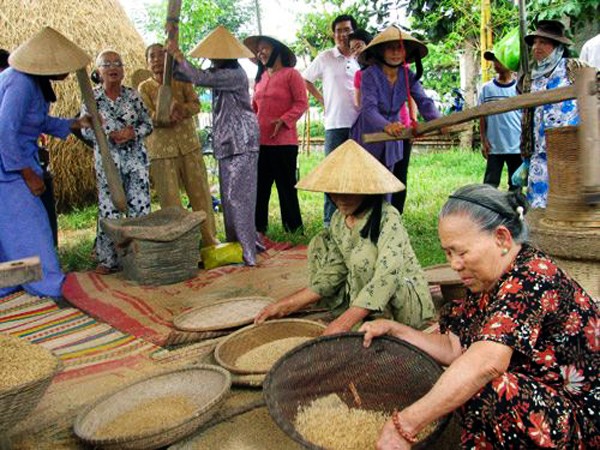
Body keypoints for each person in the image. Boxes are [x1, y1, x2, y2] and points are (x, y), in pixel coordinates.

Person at [360, 184, 599, 449]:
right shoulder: (486, 279)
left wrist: (404, 425)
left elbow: (488, 362)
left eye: (461, 252)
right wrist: (395, 330)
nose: (454, 264)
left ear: (502, 239)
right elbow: (455, 347)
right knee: (464, 377)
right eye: (448, 253)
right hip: (545, 399)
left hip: (582, 420)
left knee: (486, 385)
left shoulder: (532, 277)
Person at [255, 139, 435, 334]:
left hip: (401, 304)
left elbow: (388, 275)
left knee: (362, 257)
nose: (340, 199)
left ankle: (377, 322)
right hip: (363, 294)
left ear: (367, 190)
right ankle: (361, 314)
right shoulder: (338, 220)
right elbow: (333, 272)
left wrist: (343, 323)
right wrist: (286, 305)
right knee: (319, 243)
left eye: (349, 192)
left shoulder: (388, 217)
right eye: (335, 192)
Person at [0, 27, 92, 297]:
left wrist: (75, 123)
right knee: (30, 229)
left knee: (10, 232)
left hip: (12, 166)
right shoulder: (21, 83)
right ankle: (50, 286)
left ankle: (16, 280)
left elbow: (35, 121)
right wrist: (27, 173)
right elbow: (5, 130)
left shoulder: (30, 82)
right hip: (9, 169)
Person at [166, 26, 261, 266]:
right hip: (227, 142)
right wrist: (170, 57)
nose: (211, 58)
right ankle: (238, 245)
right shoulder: (219, 72)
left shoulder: (234, 74)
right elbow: (186, 75)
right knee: (229, 200)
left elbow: (199, 77)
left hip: (243, 141)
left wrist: (178, 56)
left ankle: (249, 251)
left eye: (214, 55)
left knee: (240, 198)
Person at [350, 25, 441, 214]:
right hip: (368, 134)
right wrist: (386, 126)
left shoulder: (407, 75)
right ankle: (362, 223)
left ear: (406, 52)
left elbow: (424, 101)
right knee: (367, 183)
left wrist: (440, 122)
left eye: (399, 48)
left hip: (394, 136)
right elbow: (369, 109)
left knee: (388, 182)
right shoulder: (369, 75)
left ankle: (386, 223)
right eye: (390, 47)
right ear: (381, 51)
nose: (395, 52)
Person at [138, 43, 219, 247]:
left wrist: (181, 109)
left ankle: (209, 241)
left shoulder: (181, 80)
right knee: (170, 202)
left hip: (188, 146)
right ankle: (181, 247)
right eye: (152, 57)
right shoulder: (144, 87)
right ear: (147, 63)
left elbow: (196, 104)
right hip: (161, 151)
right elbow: (145, 116)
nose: (156, 60)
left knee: (200, 194)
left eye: (161, 56)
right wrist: (164, 116)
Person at [81, 50, 153, 274]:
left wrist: (132, 133)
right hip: (108, 162)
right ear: (99, 71)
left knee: (139, 206)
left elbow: (148, 124)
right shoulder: (92, 99)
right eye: (107, 64)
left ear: (122, 71)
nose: (113, 68)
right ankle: (108, 259)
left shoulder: (133, 96)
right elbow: (85, 131)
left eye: (117, 64)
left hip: (135, 161)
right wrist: (105, 135)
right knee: (108, 209)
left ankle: (140, 256)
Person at [243, 35, 308, 236]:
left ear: (277, 50)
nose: (260, 53)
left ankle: (293, 229)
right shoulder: (260, 79)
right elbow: (255, 108)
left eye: (265, 48)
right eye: (258, 50)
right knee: (260, 188)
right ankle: (258, 229)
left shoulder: (292, 75)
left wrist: (284, 119)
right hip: (260, 142)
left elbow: (301, 103)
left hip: (284, 143)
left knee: (286, 187)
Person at [303, 14, 360, 226]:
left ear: (354, 31)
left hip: (360, 124)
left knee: (357, 173)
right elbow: (306, 79)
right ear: (334, 35)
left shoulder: (361, 58)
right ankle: (329, 222)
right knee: (332, 174)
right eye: (338, 31)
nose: (343, 34)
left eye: (347, 30)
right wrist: (322, 99)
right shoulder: (326, 57)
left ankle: (355, 220)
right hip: (335, 124)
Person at [520, 20, 583, 209]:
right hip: (539, 152)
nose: (537, 47)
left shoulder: (574, 68)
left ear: (557, 47)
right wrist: (525, 157)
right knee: (539, 205)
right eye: (535, 42)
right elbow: (526, 117)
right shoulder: (530, 77)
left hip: (570, 150)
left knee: (569, 203)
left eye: (544, 43)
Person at [479, 50, 522, 191]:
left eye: (499, 60)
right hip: (494, 145)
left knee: (516, 184)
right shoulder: (487, 89)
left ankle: (515, 211)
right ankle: (488, 210)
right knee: (490, 184)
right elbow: (482, 116)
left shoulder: (519, 88)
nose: (496, 64)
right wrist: (483, 139)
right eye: (494, 60)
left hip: (516, 145)